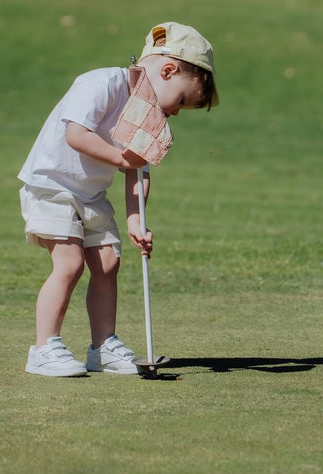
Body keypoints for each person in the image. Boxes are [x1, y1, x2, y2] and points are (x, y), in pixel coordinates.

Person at [17, 22, 217, 377]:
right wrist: (123, 158)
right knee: (70, 263)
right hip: (51, 185)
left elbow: (138, 173)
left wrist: (135, 220)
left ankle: (102, 347)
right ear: (168, 70)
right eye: (181, 101)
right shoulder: (100, 83)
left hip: (91, 193)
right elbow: (77, 134)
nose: (174, 112)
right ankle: (44, 348)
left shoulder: (150, 116)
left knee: (108, 264)